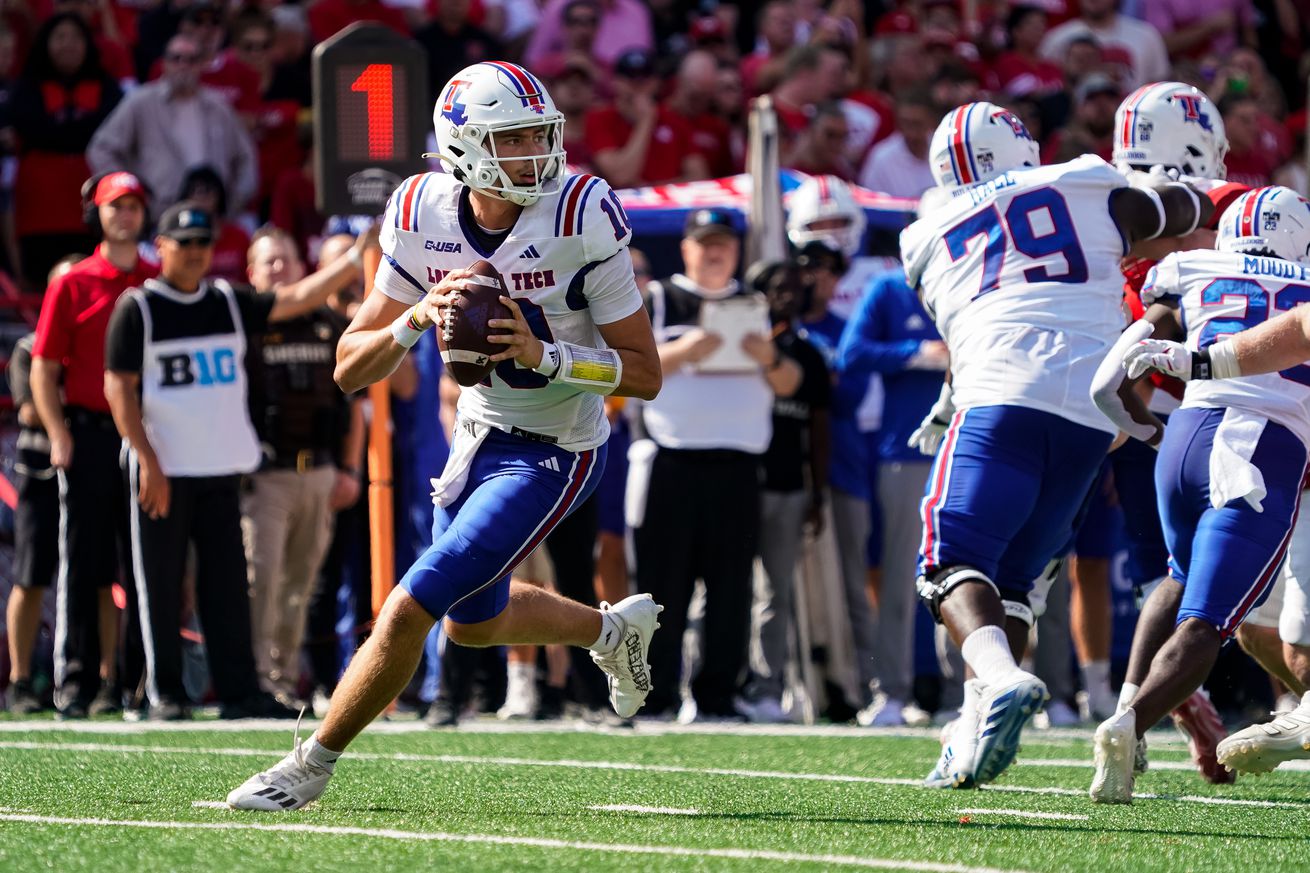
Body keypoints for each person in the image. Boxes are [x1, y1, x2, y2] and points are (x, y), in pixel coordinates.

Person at [227, 61, 663, 810]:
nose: (536, 153)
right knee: (472, 623)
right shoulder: (419, 209)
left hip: (558, 447)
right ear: (463, 150)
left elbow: (646, 372)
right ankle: (610, 631)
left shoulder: (579, 212)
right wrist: (416, 316)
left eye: (539, 134)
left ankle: (311, 763)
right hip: (478, 434)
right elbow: (348, 367)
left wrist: (545, 353)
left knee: (410, 603)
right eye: (513, 138)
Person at [902, 101, 1210, 790]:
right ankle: (972, 739)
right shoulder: (1086, 179)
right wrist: (1185, 187)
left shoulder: (924, 232)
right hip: (1093, 411)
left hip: (1003, 391)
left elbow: (967, 320)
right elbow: (1180, 210)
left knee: (949, 560)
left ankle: (1004, 677)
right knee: (1012, 583)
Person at [102, 201, 370, 721]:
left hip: (221, 469)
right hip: (163, 470)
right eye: (185, 243)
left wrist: (354, 259)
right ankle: (166, 692)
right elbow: (119, 389)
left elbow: (294, 297)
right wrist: (148, 460)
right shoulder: (139, 308)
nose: (196, 252)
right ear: (160, 248)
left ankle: (238, 690)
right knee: (158, 582)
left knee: (226, 587)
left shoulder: (225, 300)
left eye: (204, 243)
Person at [1088, 185, 1310, 802]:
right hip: (1263, 448)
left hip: (1186, 437)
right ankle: (1129, 726)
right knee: (1206, 625)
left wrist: (1148, 431)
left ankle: (1129, 701)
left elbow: (1111, 383)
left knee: (1180, 579)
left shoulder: (1192, 265)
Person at [1110, 81, 1249, 784]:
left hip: (1145, 411)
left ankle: (1149, 702)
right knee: (1199, 580)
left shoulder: (1104, 201)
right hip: (1215, 409)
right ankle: (1141, 708)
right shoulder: (1227, 207)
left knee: (1175, 577)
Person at [634, 208, 801, 723]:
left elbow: (792, 384)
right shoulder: (659, 298)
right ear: (685, 248)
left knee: (732, 590)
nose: (715, 252)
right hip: (674, 459)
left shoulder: (754, 303)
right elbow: (632, 369)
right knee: (664, 588)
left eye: (724, 243)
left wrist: (766, 357)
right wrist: (688, 349)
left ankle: (719, 695)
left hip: (738, 465)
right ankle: (656, 696)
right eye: (705, 243)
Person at [31, 171, 155, 718]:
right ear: (98, 214)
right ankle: (75, 682)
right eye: (115, 206)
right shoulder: (73, 281)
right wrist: (59, 433)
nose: (125, 215)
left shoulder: (158, 278)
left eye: (133, 205)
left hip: (148, 438)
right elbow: (42, 366)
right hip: (88, 434)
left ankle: (134, 683)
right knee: (83, 564)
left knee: (142, 564)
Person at [242, 225, 371, 703]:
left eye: (286, 260)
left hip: (318, 471)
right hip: (264, 474)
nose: (279, 268)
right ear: (251, 272)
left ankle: (283, 680)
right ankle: (257, 679)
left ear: (302, 268)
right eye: (269, 261)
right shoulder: (246, 322)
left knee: (301, 584)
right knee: (263, 581)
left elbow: (355, 403)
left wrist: (350, 470)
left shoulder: (327, 322)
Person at [87, 33, 258, 218]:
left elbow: (246, 157)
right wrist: (129, 193)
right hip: (159, 217)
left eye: (191, 60)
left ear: (201, 65)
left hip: (212, 219)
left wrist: (233, 203)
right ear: (164, 63)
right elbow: (101, 149)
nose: (183, 66)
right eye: (176, 59)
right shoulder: (141, 102)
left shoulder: (218, 106)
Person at [6, 331, 58, 713]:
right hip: (39, 471)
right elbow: (29, 409)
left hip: (90, 471)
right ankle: (20, 679)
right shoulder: (29, 346)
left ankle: (104, 678)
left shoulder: (92, 344)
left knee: (100, 577)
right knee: (30, 573)